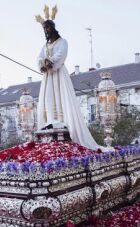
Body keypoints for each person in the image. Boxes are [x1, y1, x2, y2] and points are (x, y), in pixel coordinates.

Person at [35, 13, 102, 150]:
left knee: (61, 97)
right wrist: (42, 63)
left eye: (47, 28)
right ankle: (50, 121)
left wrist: (51, 62)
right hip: (48, 76)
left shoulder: (62, 42)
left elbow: (61, 54)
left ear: (52, 28)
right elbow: (39, 57)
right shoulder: (45, 46)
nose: (46, 31)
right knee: (48, 97)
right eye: (44, 29)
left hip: (58, 73)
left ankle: (61, 122)